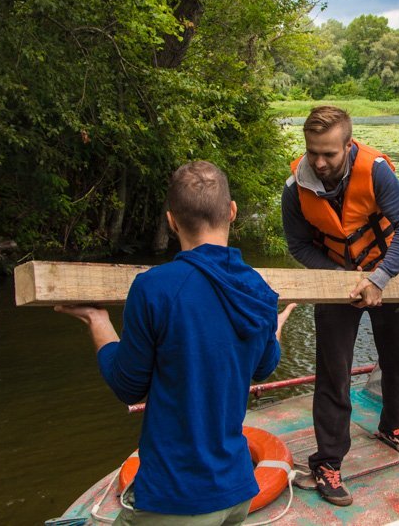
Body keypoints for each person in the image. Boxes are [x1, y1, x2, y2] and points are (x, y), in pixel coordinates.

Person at [56, 161, 295, 525]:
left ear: (171, 221)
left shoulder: (155, 288)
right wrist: (273, 327)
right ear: (232, 212)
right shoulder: (258, 291)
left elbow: (129, 385)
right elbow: (263, 365)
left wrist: (97, 320)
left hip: (178, 498)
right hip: (236, 492)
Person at [281, 106, 399, 506]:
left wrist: (378, 278)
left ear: (349, 145)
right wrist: (342, 279)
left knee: (398, 359)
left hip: (387, 273)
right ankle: (327, 462)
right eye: (313, 153)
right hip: (336, 281)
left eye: (330, 153)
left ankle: (394, 426)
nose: (320, 162)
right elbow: (298, 245)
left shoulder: (376, 171)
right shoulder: (295, 187)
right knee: (333, 374)